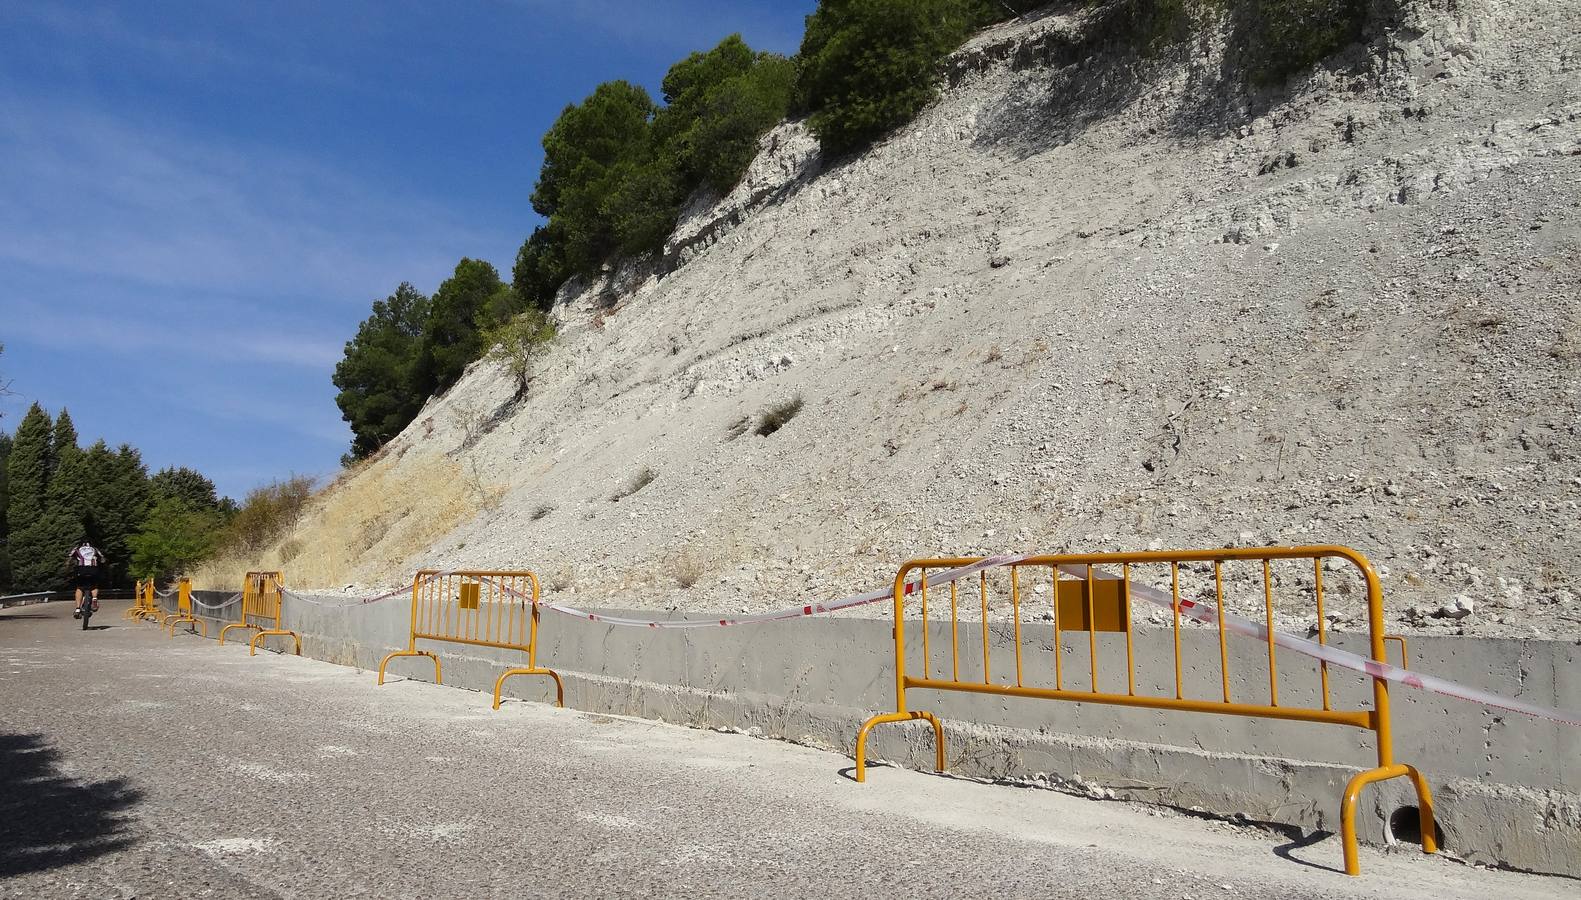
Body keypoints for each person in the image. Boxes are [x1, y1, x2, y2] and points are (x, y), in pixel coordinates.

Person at [69, 539, 104, 619]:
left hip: (81, 569)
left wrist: (68, 569)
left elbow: (69, 559)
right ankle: (94, 599)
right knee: (94, 585)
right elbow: (102, 559)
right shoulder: (95, 549)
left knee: (79, 587)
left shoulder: (77, 549)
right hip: (93, 569)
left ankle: (78, 609)